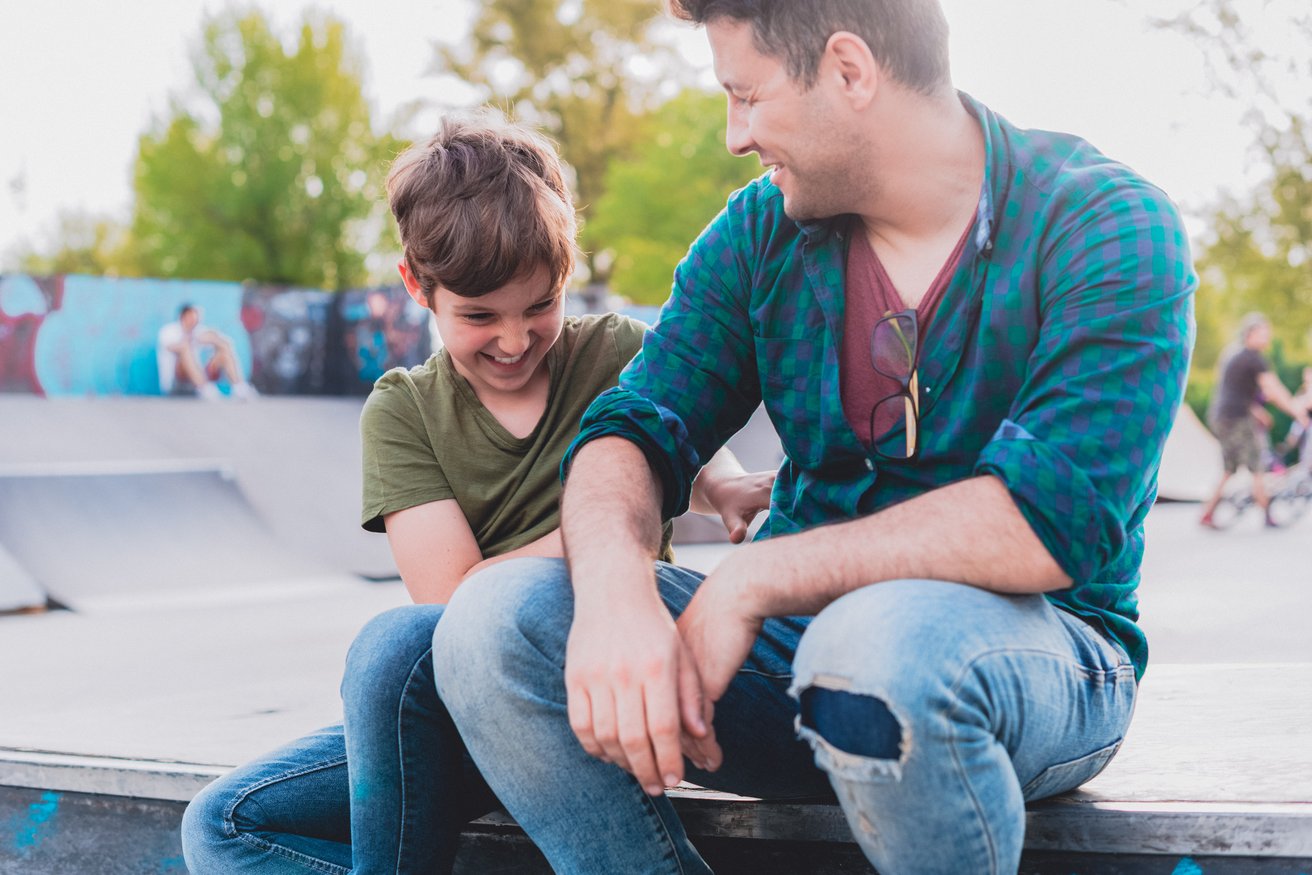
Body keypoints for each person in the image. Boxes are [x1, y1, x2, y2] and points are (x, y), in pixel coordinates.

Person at [428, 2, 1198, 873]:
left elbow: (1046, 520)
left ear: (849, 71)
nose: (735, 134)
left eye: (747, 96)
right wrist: (613, 595)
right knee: (492, 621)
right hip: (787, 660)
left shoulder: (1105, 224)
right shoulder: (760, 231)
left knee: (872, 646)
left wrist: (756, 574)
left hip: (1036, 661)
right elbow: (631, 430)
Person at [180, 111, 773, 874]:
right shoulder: (404, 411)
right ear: (416, 285)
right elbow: (455, 597)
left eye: (541, 307)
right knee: (223, 823)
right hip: (463, 703)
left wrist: (720, 485)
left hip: (592, 671)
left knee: (387, 646)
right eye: (479, 315)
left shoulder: (615, 350)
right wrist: (615, 511)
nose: (516, 340)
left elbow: (680, 431)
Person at [1200, 313, 1310, 529]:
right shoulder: (1253, 358)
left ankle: (1208, 513)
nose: (1267, 338)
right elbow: (1273, 389)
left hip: (1222, 416)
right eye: (1263, 333)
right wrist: (1298, 412)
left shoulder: (1233, 354)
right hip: (1238, 418)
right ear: (1250, 334)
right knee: (1258, 462)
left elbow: (1234, 391)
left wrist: (1258, 412)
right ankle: (1267, 515)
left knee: (1230, 467)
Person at [156, 303, 259, 400]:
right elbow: (171, 347)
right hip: (178, 379)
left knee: (224, 353)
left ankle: (238, 387)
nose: (194, 320)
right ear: (182, 317)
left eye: (195, 317)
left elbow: (227, 344)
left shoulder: (199, 331)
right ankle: (204, 387)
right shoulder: (169, 331)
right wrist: (192, 340)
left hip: (200, 374)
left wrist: (214, 339)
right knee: (185, 349)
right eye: (190, 317)